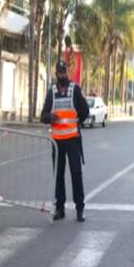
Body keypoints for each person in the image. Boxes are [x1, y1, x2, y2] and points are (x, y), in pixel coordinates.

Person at [40, 60, 90, 222]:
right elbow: (43, 116)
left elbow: (85, 110)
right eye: (60, 72)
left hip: (72, 140)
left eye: (64, 71)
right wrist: (50, 117)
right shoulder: (51, 92)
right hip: (57, 142)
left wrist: (77, 122)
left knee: (76, 173)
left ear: (67, 72)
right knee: (58, 176)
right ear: (56, 74)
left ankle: (80, 209)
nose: (63, 74)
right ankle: (59, 208)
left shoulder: (75, 89)